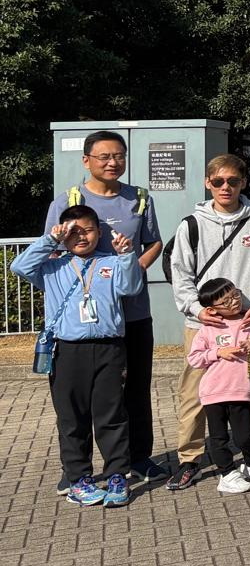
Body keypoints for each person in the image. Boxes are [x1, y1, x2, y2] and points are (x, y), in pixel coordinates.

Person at [44, 130, 164, 485]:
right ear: (87, 161)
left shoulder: (139, 198)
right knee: (78, 400)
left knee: (136, 389)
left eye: (119, 156)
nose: (113, 163)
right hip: (85, 324)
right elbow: (51, 251)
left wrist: (133, 267)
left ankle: (138, 458)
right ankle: (76, 471)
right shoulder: (68, 200)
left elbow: (154, 242)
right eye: (104, 157)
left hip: (133, 312)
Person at [167, 155, 250, 491]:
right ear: (208, 183)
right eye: (218, 181)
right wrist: (196, 309)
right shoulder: (192, 224)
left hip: (247, 324)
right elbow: (180, 273)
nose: (225, 187)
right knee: (195, 393)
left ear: (243, 182)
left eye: (233, 181)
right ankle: (190, 459)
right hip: (204, 325)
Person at [13, 209, 141, 507]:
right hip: (67, 350)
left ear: (99, 232)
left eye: (88, 230)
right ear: (63, 234)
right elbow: (19, 266)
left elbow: (131, 287)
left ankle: (117, 475)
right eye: (73, 232)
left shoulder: (111, 262)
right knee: (72, 418)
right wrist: (51, 239)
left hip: (109, 348)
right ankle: (78, 480)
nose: (81, 237)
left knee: (111, 415)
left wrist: (126, 255)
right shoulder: (52, 266)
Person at [185, 278, 250, 494]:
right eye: (226, 301)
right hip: (213, 393)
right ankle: (227, 474)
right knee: (219, 438)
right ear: (211, 309)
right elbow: (194, 358)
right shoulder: (208, 329)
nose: (234, 302)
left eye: (235, 295)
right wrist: (218, 352)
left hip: (241, 391)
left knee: (244, 434)